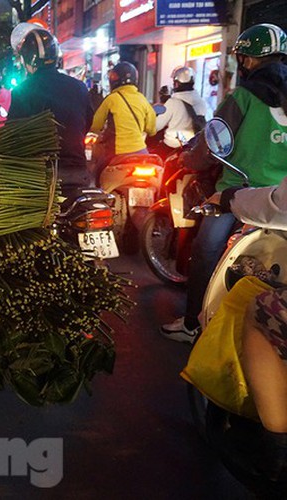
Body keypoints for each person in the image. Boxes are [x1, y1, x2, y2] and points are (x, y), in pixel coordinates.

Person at [161, 23, 287, 343]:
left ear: (248, 60)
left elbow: (212, 145)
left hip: (237, 193)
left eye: (241, 59)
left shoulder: (244, 95)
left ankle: (192, 324)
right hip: (280, 198)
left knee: (205, 253)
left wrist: (188, 161)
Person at [218, 176, 287, 481]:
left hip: (246, 195)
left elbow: (280, 204)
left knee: (260, 310)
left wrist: (230, 199)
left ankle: (277, 450)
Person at [8, 24, 94, 187]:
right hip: (78, 173)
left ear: (27, 61)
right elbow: (87, 122)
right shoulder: (79, 87)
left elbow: (13, 135)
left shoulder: (22, 91)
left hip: (40, 177)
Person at [89, 61, 156, 173]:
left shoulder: (111, 99)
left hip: (116, 153)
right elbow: (151, 129)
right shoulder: (142, 99)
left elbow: (96, 125)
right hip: (141, 152)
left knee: (98, 172)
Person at [152, 66, 211, 157]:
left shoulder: (173, 102)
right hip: (192, 146)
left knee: (152, 160)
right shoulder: (200, 101)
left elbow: (156, 126)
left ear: (176, 84)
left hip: (172, 145)